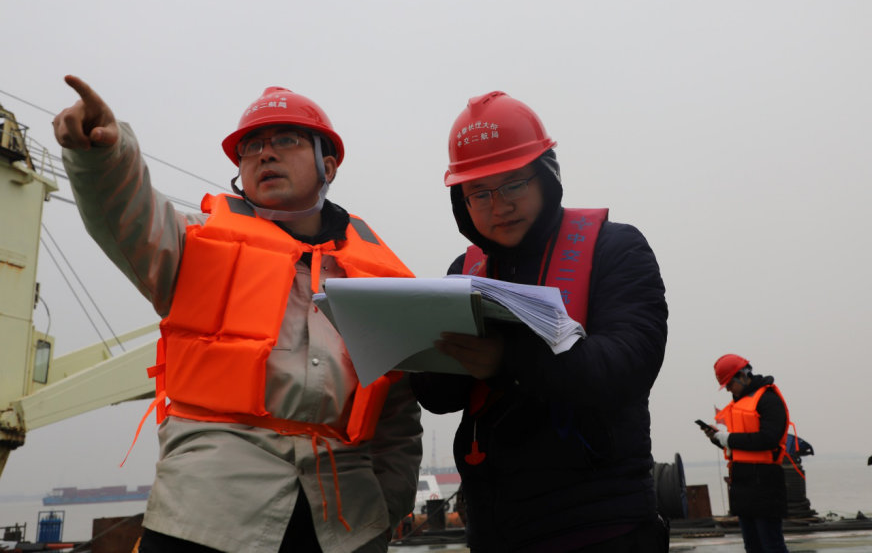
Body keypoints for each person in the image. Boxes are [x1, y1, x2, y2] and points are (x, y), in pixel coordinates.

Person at [52, 76, 423, 553]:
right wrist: (102, 154)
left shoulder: (380, 281)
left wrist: (382, 515)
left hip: (346, 524)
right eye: (251, 147)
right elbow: (127, 214)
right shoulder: (194, 245)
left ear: (327, 165)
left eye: (286, 140)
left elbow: (397, 417)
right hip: (204, 517)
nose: (265, 154)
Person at [409, 91, 669, 552]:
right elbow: (438, 398)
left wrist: (506, 358)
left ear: (548, 177)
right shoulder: (463, 273)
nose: (499, 206)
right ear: (461, 202)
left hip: (602, 526)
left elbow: (627, 367)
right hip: (495, 531)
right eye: (479, 193)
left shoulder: (615, 249)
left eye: (513, 184)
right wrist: (421, 354)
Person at [702, 354, 790, 553]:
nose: (728, 389)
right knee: (752, 546)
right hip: (742, 485)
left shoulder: (768, 399)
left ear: (743, 375)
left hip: (765, 484)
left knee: (772, 545)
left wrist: (729, 439)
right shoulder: (736, 405)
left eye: (729, 384)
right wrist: (717, 438)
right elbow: (738, 447)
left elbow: (769, 438)